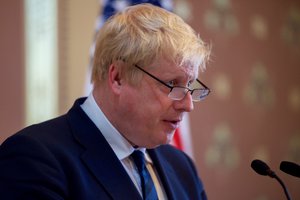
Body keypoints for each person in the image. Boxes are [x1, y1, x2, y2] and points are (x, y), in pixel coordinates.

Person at [0, 3, 210, 200]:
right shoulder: (33, 158)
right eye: (172, 84)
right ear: (118, 78)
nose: (188, 104)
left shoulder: (182, 167)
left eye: (190, 85)